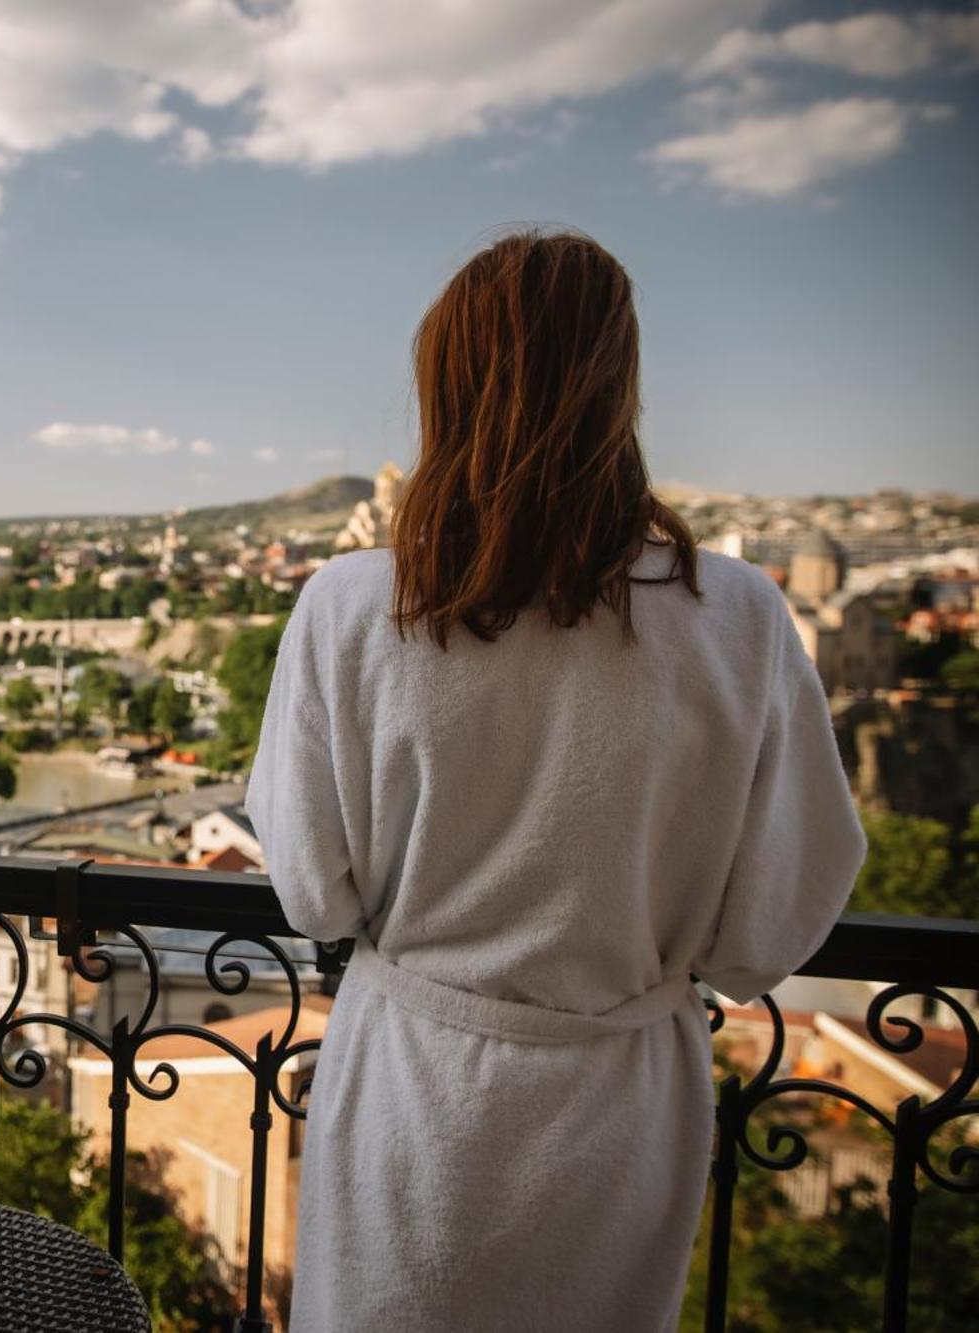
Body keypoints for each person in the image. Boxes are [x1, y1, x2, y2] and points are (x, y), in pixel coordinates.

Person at [247, 230, 865, 1332]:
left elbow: (312, 894)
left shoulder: (352, 608)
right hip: (619, 1106)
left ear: (445, 386)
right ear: (615, 387)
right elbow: (774, 913)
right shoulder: (736, 618)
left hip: (411, 1090)